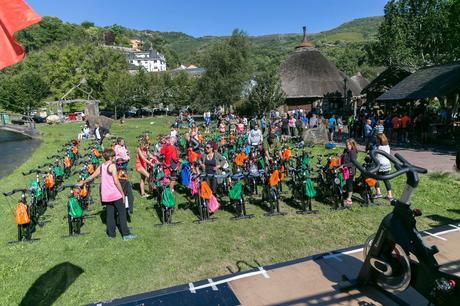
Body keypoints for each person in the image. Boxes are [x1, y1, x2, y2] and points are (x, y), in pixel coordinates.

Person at [79, 149, 135, 240]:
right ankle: (126, 234)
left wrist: (84, 181)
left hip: (106, 195)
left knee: (110, 215)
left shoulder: (101, 166)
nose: (115, 158)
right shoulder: (112, 166)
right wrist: (122, 194)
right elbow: (116, 182)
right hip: (115, 194)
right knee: (122, 213)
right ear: (110, 157)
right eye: (113, 156)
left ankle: (111, 235)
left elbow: (92, 176)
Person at [374, 134, 393, 200]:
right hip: (387, 165)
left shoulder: (379, 147)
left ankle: (378, 192)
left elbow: (377, 158)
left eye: (377, 139)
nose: (376, 140)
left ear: (380, 140)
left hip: (380, 165)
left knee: (374, 177)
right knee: (386, 180)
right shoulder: (387, 146)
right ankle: (389, 194)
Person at [341, 139, 358, 207]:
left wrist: (344, 165)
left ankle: (349, 198)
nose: (347, 146)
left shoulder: (353, 152)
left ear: (352, 145)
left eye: (349, 145)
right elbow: (343, 158)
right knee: (346, 183)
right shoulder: (346, 151)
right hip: (345, 170)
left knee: (349, 183)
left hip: (350, 171)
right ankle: (345, 193)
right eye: (346, 145)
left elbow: (353, 163)